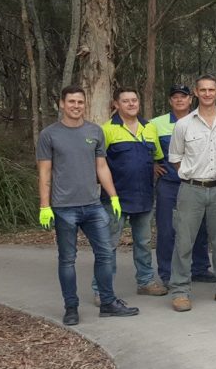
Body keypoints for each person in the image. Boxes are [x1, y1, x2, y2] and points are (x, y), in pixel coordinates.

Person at [37, 85, 139, 326]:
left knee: (105, 254)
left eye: (80, 102)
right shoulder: (49, 135)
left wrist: (113, 197)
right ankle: (71, 307)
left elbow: (101, 167)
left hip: (93, 206)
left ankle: (108, 303)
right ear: (62, 104)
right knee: (67, 259)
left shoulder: (94, 131)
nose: (76, 106)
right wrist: (44, 205)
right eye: (71, 102)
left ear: (85, 104)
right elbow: (44, 173)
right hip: (64, 208)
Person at [167, 74, 216, 312]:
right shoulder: (184, 125)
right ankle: (180, 291)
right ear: (196, 93)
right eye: (203, 90)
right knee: (184, 241)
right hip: (191, 190)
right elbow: (176, 159)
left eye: (212, 89)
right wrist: (193, 175)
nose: (208, 94)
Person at [100, 87, 167, 298]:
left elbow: (156, 155)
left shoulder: (149, 128)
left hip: (144, 196)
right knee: (108, 244)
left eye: (134, 100)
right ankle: (102, 289)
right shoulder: (107, 129)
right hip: (116, 198)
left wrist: (154, 166)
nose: (131, 104)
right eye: (126, 101)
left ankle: (146, 281)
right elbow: (98, 162)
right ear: (116, 105)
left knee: (144, 242)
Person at [151, 85, 212, 285]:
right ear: (170, 101)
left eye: (183, 97)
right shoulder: (156, 124)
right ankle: (168, 274)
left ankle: (200, 268)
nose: (179, 100)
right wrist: (152, 164)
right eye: (175, 97)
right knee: (168, 230)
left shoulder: (202, 120)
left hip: (198, 184)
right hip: (170, 184)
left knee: (200, 228)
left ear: (190, 99)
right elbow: (142, 144)